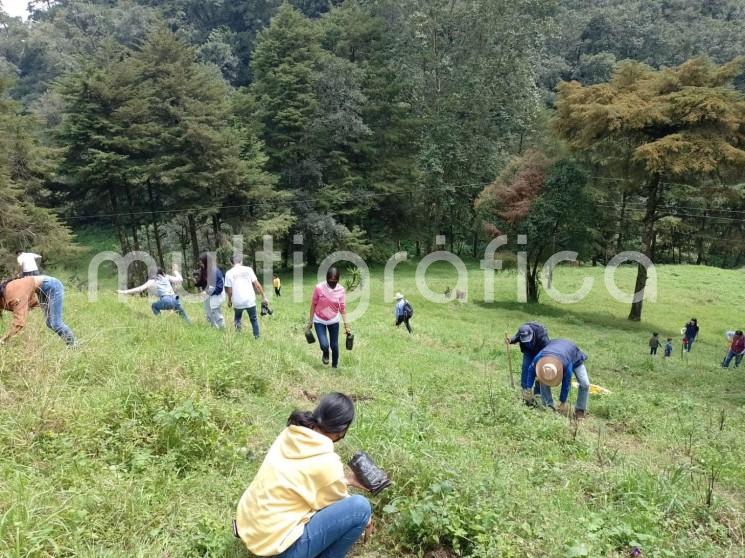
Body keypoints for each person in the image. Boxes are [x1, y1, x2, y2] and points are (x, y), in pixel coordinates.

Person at [235, 392, 372, 558]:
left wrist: (347, 480)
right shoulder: (328, 462)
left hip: (249, 528)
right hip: (276, 550)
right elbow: (333, 502)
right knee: (361, 508)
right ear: (342, 430)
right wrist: (366, 518)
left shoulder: (291, 433)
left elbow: (307, 480)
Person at [1, 275, 76, 346]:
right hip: (43, 288)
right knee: (49, 323)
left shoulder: (15, 296)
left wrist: (5, 339)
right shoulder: (4, 292)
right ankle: (71, 345)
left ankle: (74, 346)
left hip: (52, 286)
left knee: (56, 324)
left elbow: (19, 323)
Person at [528, 338, 590, 419]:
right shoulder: (540, 357)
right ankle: (548, 406)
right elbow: (530, 369)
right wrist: (528, 389)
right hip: (554, 348)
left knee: (585, 384)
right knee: (544, 378)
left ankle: (580, 410)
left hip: (574, 356)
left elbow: (566, 383)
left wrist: (562, 402)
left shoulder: (566, 367)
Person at [308, 267, 350, 369]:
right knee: (324, 345)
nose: (332, 283)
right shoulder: (319, 288)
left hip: (333, 320)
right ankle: (325, 352)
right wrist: (310, 321)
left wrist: (346, 325)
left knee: (334, 346)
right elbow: (313, 305)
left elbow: (343, 308)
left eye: (334, 281)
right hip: (319, 320)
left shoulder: (341, 290)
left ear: (338, 280)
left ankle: (334, 366)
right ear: (326, 279)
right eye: (330, 281)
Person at [117, 264, 190, 322]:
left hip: (166, 299)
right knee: (184, 317)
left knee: (154, 306)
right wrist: (175, 271)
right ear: (162, 272)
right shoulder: (166, 276)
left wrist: (124, 292)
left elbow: (140, 289)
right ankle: (190, 325)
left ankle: (161, 322)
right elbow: (180, 279)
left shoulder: (153, 279)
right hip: (176, 299)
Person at [505, 322, 550, 406]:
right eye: (524, 339)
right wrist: (510, 340)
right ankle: (525, 393)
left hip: (541, 353)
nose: (527, 341)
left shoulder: (541, 334)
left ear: (532, 333)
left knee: (538, 375)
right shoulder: (522, 331)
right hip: (528, 352)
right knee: (526, 369)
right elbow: (516, 337)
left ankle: (537, 396)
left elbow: (548, 349)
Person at [225, 254, 267, 338]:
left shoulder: (229, 273)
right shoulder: (248, 270)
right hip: (249, 300)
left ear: (232, 263)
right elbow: (257, 285)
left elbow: (229, 291)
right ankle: (257, 337)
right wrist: (264, 297)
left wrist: (229, 301)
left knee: (237, 319)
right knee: (254, 319)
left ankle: (238, 337)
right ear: (241, 261)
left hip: (237, 301)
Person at [197, 254, 226, 329]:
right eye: (200, 263)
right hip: (207, 294)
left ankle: (222, 330)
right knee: (208, 313)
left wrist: (207, 292)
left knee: (216, 312)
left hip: (216, 294)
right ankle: (214, 328)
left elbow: (219, 287)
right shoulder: (204, 270)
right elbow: (204, 282)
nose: (201, 264)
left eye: (202, 262)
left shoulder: (215, 271)